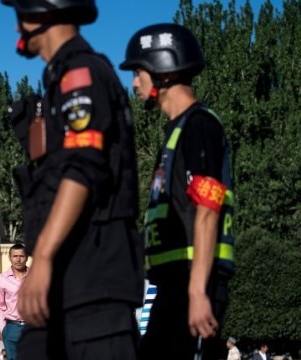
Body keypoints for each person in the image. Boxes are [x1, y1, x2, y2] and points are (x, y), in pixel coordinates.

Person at [0, 0, 144, 359]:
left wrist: (43, 257)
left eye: (21, 16)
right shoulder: (61, 81)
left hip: (96, 281)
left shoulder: (82, 73)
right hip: (67, 280)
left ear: (41, 13)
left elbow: (83, 167)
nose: (17, 29)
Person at [120, 23, 236, 360]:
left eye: (138, 71)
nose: (135, 83)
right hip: (173, 287)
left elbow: (207, 208)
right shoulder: (176, 134)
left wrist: (198, 291)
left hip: (193, 285)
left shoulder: (199, 126)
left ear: (163, 71)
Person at [0, 243, 27, 360]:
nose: (18, 259)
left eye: (21, 256)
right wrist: (3, 329)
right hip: (11, 328)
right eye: (15, 256)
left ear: (26, 257)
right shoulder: (2, 280)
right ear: (9, 258)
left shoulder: (35, 277)